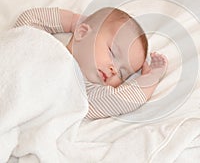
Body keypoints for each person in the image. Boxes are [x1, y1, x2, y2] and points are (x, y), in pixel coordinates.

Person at [14, 7, 168, 119]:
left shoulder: (86, 94)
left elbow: (122, 99)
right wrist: (74, 21)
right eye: (112, 53)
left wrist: (151, 77)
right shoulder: (46, 47)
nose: (114, 69)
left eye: (122, 74)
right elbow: (28, 22)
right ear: (82, 33)